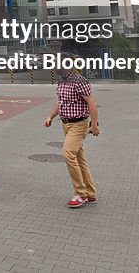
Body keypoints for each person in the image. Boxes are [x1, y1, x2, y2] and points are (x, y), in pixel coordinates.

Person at [43, 66, 99, 208]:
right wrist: (50, 116)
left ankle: (81, 193)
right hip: (66, 124)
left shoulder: (80, 81)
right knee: (80, 159)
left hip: (79, 124)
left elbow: (91, 102)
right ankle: (90, 193)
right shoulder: (62, 80)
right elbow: (60, 101)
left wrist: (94, 125)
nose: (55, 67)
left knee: (68, 153)